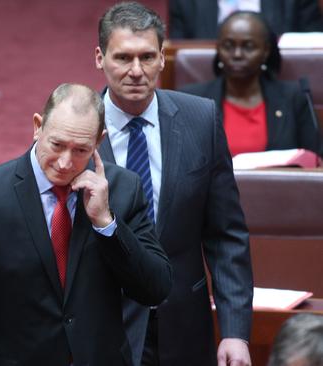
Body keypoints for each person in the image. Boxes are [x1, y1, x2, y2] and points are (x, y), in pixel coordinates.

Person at [0, 83, 172, 365]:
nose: (64, 163)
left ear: (99, 142)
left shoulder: (122, 189)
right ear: (38, 126)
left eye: (80, 150)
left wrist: (106, 224)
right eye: (57, 145)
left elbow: (155, 288)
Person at [94, 3, 253, 366]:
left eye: (147, 57)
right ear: (100, 58)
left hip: (183, 325)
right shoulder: (73, 128)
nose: (136, 71)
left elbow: (226, 235)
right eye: (123, 58)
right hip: (103, 328)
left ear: (163, 58)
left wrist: (235, 331)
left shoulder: (201, 119)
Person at [180, 11, 321, 157]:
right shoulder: (191, 99)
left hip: (275, 180)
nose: (237, 54)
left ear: (266, 50)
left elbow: (314, 159)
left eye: (248, 46)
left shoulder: (294, 98)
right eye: (228, 46)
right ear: (218, 48)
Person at [169, 0, 323, 39]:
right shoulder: (186, 2)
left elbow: (312, 49)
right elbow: (177, 56)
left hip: (279, 85)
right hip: (207, 87)